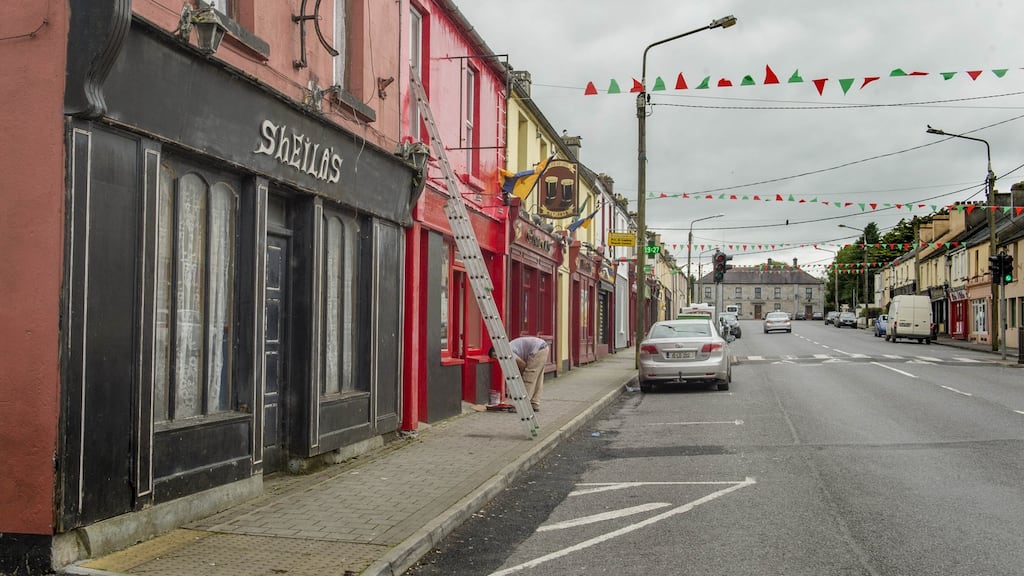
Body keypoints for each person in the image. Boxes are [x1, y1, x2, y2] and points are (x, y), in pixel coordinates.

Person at [488, 336, 548, 412]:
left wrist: (522, 377)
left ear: (496, 352)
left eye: (495, 356)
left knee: (528, 379)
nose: (497, 359)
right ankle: (534, 403)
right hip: (542, 347)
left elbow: (522, 364)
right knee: (538, 378)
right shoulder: (508, 346)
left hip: (536, 350)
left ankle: (521, 406)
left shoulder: (505, 351)